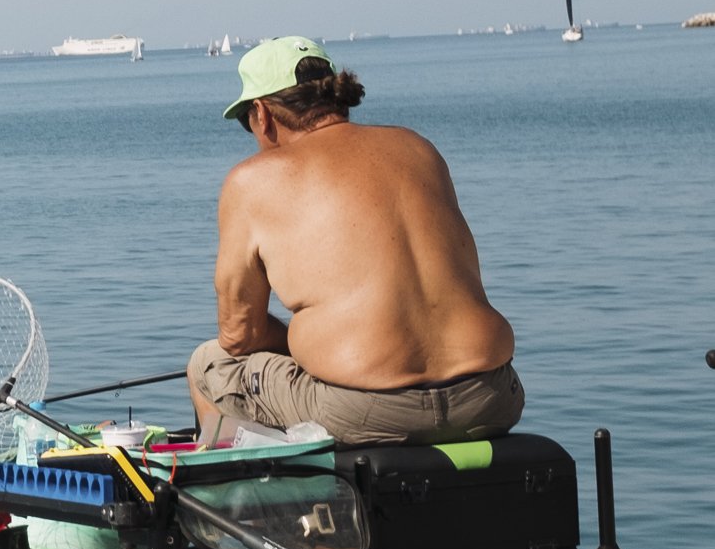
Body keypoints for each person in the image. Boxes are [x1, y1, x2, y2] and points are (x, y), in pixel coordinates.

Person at [187, 37, 523, 447]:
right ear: (334, 96)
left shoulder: (252, 180)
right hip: (491, 396)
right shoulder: (419, 149)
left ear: (261, 114)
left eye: (247, 122)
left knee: (209, 364)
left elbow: (239, 334)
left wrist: (317, 340)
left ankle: (253, 505)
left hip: (362, 411)